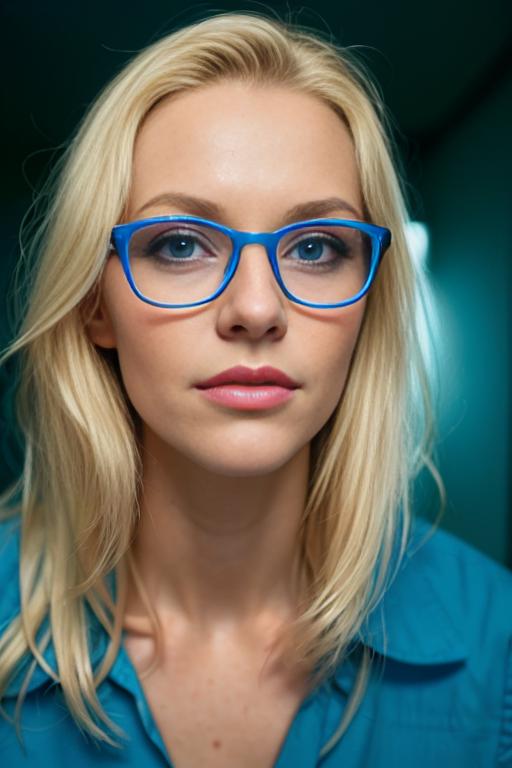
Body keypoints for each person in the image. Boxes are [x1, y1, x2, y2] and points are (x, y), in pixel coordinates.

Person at [0, 11, 511, 768]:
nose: (256, 310)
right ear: (95, 305)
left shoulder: (495, 644)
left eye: (315, 248)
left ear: (369, 302)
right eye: (180, 244)